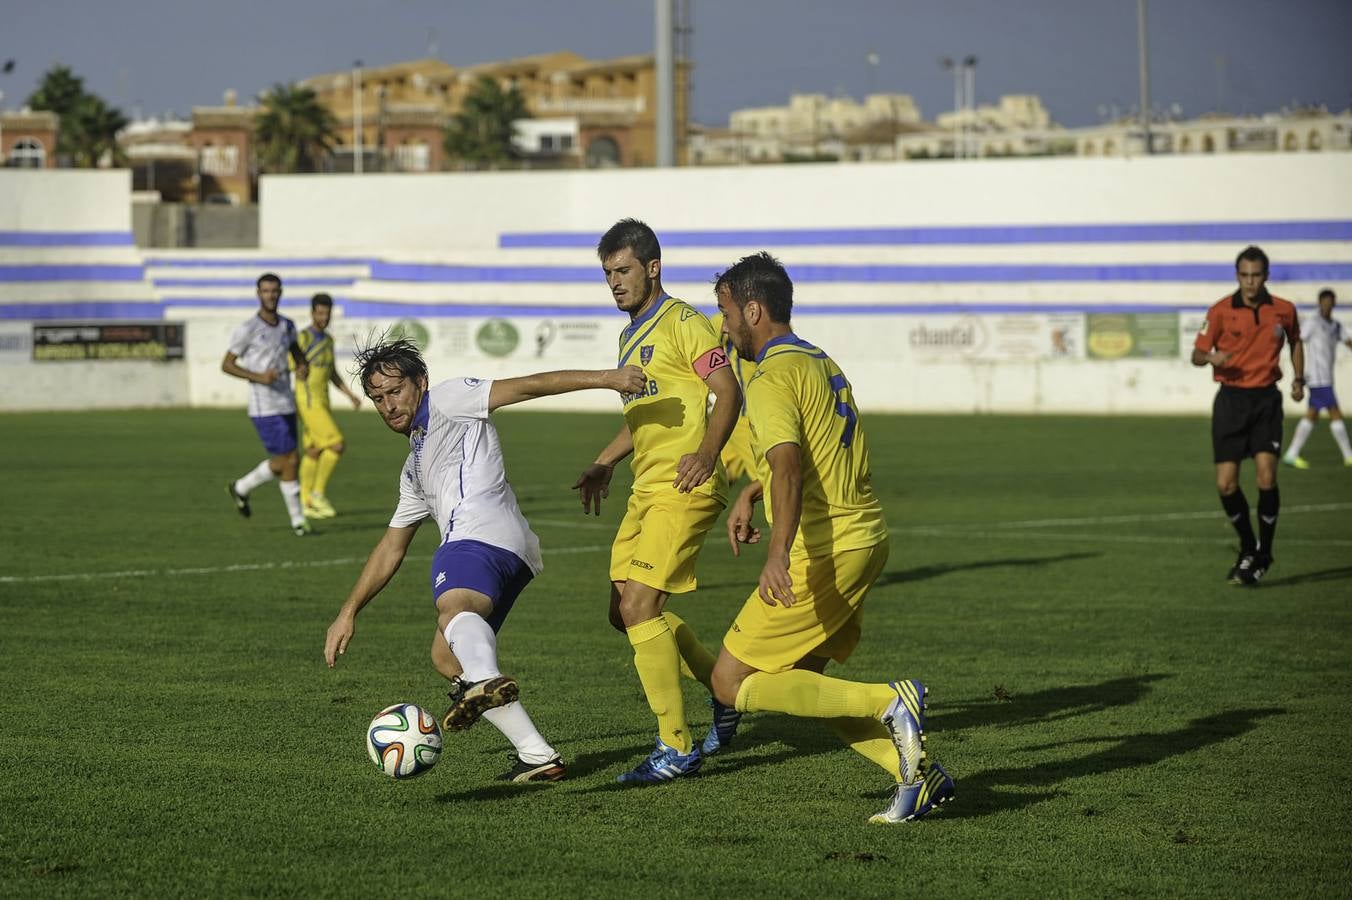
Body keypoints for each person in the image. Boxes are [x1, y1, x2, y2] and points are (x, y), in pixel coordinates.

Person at [702, 251, 954, 824]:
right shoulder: (820, 361)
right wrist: (754, 491)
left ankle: (890, 701)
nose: (722, 326)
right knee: (806, 682)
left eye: (724, 312)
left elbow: (789, 467)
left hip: (827, 546)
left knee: (729, 679)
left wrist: (776, 555)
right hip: (865, 536)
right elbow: (813, 457)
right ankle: (915, 773)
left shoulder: (769, 376)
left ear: (753, 309)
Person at [323, 336, 646, 783]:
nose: (387, 405)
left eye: (395, 392)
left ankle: (484, 683)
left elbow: (530, 386)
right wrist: (348, 611)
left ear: (421, 383)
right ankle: (537, 755)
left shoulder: (449, 400)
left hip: (479, 537)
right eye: (377, 398)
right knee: (446, 656)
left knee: (453, 610)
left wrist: (608, 379)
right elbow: (391, 547)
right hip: (513, 552)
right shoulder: (413, 468)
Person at [572, 218, 743, 784]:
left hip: (685, 483)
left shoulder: (686, 324)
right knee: (624, 613)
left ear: (652, 268)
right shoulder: (629, 336)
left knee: (641, 605)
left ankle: (675, 747)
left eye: (622, 271)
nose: (615, 282)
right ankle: (726, 691)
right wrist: (605, 460)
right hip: (647, 487)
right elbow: (644, 418)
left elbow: (727, 392)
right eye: (607, 274)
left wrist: (706, 453)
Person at [1192, 246, 1304, 585]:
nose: (1250, 282)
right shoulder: (1221, 311)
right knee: (1226, 484)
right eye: (1244, 275)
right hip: (1230, 402)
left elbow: (1296, 341)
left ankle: (1264, 552)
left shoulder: (1283, 310)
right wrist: (1212, 359)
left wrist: (1299, 379)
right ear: (1237, 275)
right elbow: (1197, 353)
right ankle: (1246, 546)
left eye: (1256, 275)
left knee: (1266, 478)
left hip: (1265, 402)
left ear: (1266, 275)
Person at [223, 273, 312, 536]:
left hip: (286, 401)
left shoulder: (287, 325)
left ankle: (241, 487)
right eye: (265, 291)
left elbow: (297, 352)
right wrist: (259, 377)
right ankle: (298, 522)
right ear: (258, 293)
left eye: (274, 291)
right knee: (291, 460)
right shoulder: (248, 328)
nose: (270, 295)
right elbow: (227, 364)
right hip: (264, 406)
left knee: (286, 461)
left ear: (280, 293)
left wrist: (302, 366)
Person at [291, 293, 362, 519]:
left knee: (313, 450)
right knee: (336, 445)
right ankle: (318, 493)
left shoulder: (328, 341)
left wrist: (349, 394)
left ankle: (305, 504)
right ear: (312, 313)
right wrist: (298, 370)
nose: (323, 318)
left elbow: (331, 373)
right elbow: (293, 363)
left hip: (322, 402)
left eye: (327, 314)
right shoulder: (302, 338)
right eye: (319, 313)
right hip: (307, 402)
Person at [1282, 288, 1352, 468]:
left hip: (1326, 377)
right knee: (1335, 413)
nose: (1328, 305)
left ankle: (1291, 453)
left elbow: (1348, 341)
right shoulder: (1312, 323)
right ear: (1319, 303)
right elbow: (1298, 340)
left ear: (1334, 303)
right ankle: (1349, 456)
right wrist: (1299, 373)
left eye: (1330, 302)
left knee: (1311, 415)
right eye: (1325, 301)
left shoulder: (1335, 325)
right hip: (1316, 377)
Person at [709, 311, 759, 483]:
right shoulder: (720, 321)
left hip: (750, 414)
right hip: (742, 415)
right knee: (770, 481)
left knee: (715, 480)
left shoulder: (762, 318)